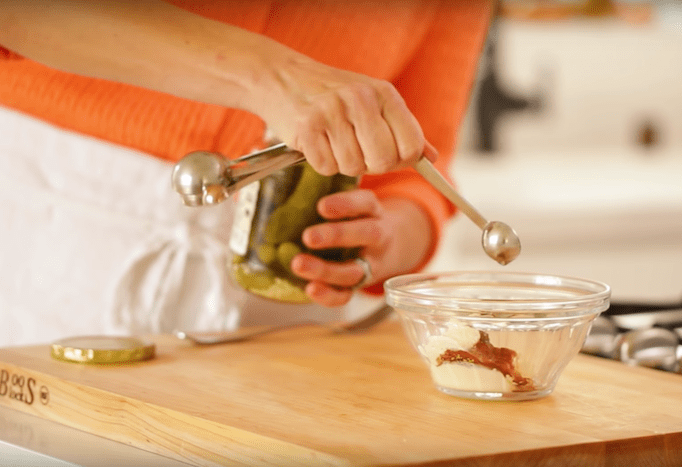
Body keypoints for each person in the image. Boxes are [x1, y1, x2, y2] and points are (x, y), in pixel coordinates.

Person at [0, 0, 493, 346]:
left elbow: (417, 171)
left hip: (276, 326)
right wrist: (269, 76)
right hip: (42, 249)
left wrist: (384, 238)